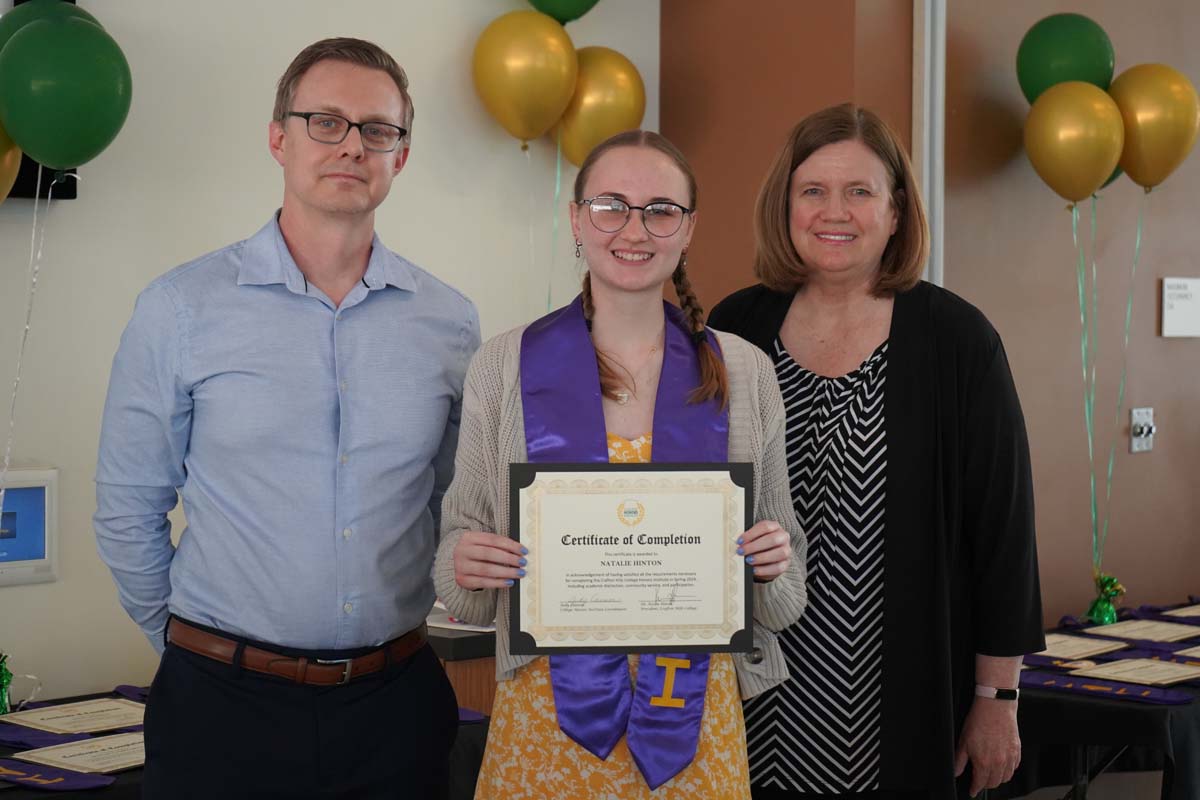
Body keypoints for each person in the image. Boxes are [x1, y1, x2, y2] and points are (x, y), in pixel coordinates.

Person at [94, 38, 479, 799]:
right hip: (220, 708)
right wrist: (186, 649)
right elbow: (127, 509)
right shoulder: (181, 308)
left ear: (400, 156)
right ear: (279, 137)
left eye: (378, 129)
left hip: (395, 705)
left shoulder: (451, 323)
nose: (352, 146)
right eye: (325, 121)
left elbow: (451, 504)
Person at [432, 130, 808, 799]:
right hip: (545, 723)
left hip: (696, 727)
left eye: (661, 209)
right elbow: (462, 570)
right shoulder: (503, 365)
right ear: (576, 219)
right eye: (611, 206)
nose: (635, 229)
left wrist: (774, 562)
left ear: (688, 229)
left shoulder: (743, 370)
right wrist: (464, 561)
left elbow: (784, 596)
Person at [708, 104, 1044, 800]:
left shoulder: (957, 341)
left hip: (897, 699)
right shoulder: (733, 329)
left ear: (895, 214)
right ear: (786, 206)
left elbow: (1003, 535)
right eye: (814, 191)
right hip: (752, 692)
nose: (836, 211)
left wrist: (998, 697)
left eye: (860, 191)